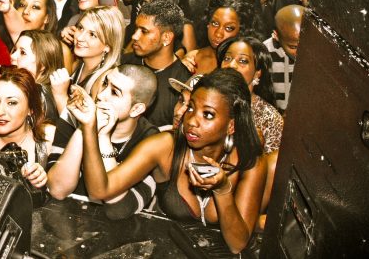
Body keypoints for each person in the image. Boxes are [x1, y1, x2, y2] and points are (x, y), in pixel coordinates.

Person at [76, 68, 266, 253]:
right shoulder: (165, 146)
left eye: (207, 114)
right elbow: (99, 189)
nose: (191, 121)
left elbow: (237, 244)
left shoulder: (249, 161)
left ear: (231, 125)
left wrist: (222, 190)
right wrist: (90, 128)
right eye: (191, 108)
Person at [47, 65, 159, 219]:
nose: (101, 95)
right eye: (105, 84)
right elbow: (57, 190)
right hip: (63, 222)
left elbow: (118, 209)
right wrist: (85, 128)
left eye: (114, 92)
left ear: (136, 109)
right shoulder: (75, 115)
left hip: (117, 234)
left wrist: (102, 137)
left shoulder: (151, 141)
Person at [123, 0, 193, 128]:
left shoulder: (181, 86)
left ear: (166, 37)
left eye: (144, 31)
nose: (134, 36)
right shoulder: (124, 63)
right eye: (136, 29)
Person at [183, 0, 260, 74]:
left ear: (241, 30)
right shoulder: (193, 59)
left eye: (228, 28)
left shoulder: (247, 65)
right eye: (215, 23)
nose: (218, 34)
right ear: (208, 23)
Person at [10, 29, 65, 121]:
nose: (12, 56)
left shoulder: (38, 96)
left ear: (43, 64)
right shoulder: (30, 88)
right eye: (15, 50)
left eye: (23, 53)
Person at [264, 4, 305, 112]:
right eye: (293, 47)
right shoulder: (264, 53)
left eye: (306, 43)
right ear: (276, 35)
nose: (302, 51)